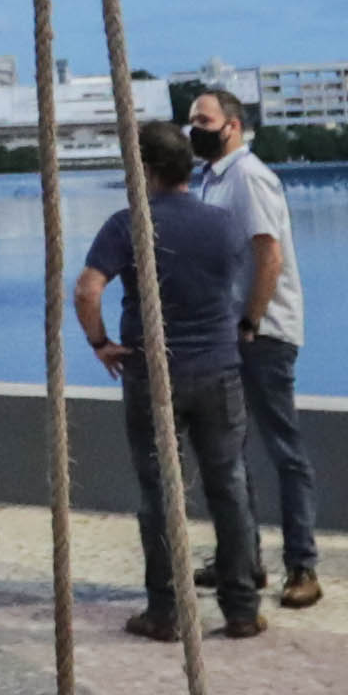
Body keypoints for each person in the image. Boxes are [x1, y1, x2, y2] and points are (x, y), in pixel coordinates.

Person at [77, 119, 266, 638]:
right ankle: (242, 606)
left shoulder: (129, 224)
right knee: (229, 486)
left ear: (147, 170)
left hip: (153, 373)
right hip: (219, 370)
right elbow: (243, 279)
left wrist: (99, 344)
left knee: (161, 491)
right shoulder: (224, 224)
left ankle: (167, 609)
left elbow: (87, 290)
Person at [184, 87, 319, 608]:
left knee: (283, 451)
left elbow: (269, 254)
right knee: (228, 453)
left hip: (261, 335)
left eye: (204, 119)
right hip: (230, 332)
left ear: (232, 125)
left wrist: (251, 320)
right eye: (192, 119)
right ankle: (242, 560)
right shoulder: (214, 179)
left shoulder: (248, 177)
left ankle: (302, 564)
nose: (195, 127)